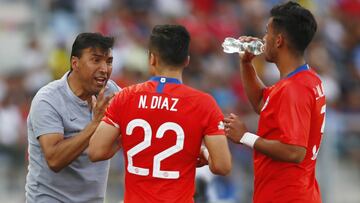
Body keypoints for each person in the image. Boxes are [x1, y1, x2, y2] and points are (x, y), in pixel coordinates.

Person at [88, 24, 232, 203]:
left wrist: (126, 137)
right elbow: (222, 166)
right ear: (186, 60)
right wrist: (204, 152)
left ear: (152, 58)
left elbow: (95, 151)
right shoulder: (204, 104)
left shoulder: (126, 97)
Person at [224, 2, 325, 203]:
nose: (263, 39)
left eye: (266, 32)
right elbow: (263, 103)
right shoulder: (307, 79)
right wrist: (246, 63)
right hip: (295, 192)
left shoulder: (294, 88)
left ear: (279, 40)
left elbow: (294, 151)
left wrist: (245, 137)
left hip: (286, 196)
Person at [25, 32, 120, 203]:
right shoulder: (48, 99)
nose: (104, 69)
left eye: (109, 61)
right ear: (75, 63)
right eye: (96, 60)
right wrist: (96, 123)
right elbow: (54, 159)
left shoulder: (111, 92)